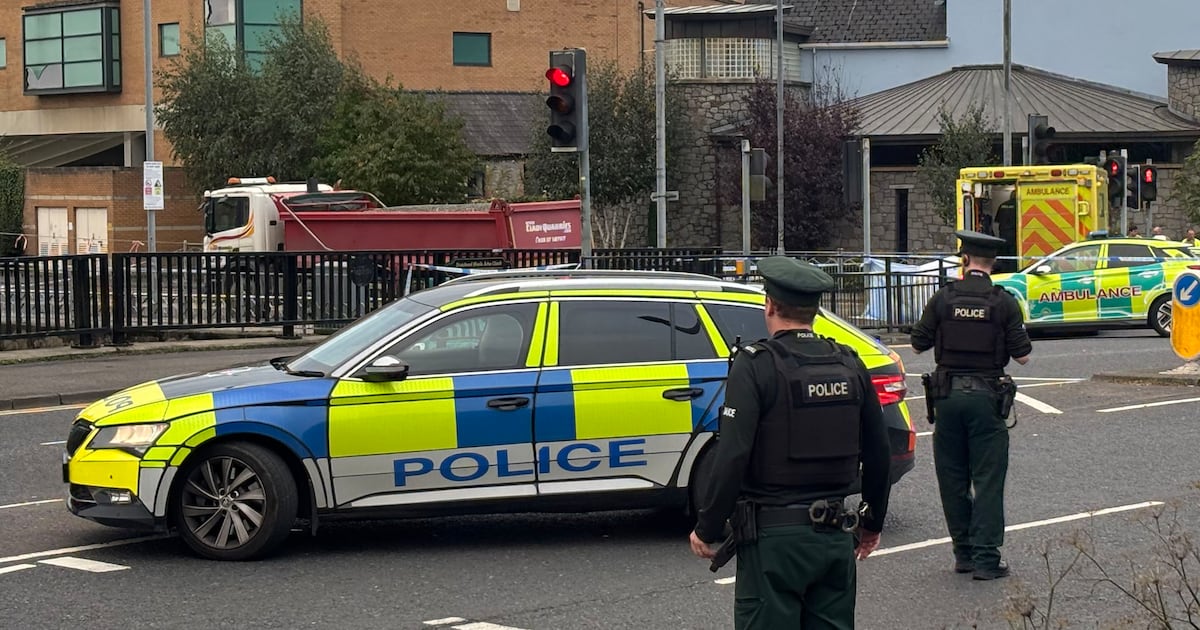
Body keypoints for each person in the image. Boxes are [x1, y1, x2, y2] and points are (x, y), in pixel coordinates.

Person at [689, 256, 892, 629]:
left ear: (769, 305)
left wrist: (707, 526)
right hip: (834, 536)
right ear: (815, 311)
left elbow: (733, 453)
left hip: (773, 543)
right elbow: (880, 452)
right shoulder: (848, 362)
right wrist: (873, 522)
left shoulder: (755, 364)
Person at [910, 230, 1033, 581]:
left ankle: (962, 553)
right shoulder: (1003, 301)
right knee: (988, 479)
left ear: (964, 260)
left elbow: (917, 345)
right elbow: (1023, 356)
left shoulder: (942, 298)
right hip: (986, 398)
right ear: (992, 263)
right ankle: (985, 558)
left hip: (946, 398)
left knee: (952, 477)